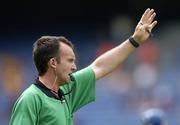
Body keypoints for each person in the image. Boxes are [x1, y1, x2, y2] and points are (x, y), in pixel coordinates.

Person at [9, 8, 157, 125]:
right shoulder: (31, 99)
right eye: (70, 61)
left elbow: (99, 66)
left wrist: (134, 41)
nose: (74, 67)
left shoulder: (67, 90)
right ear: (53, 63)